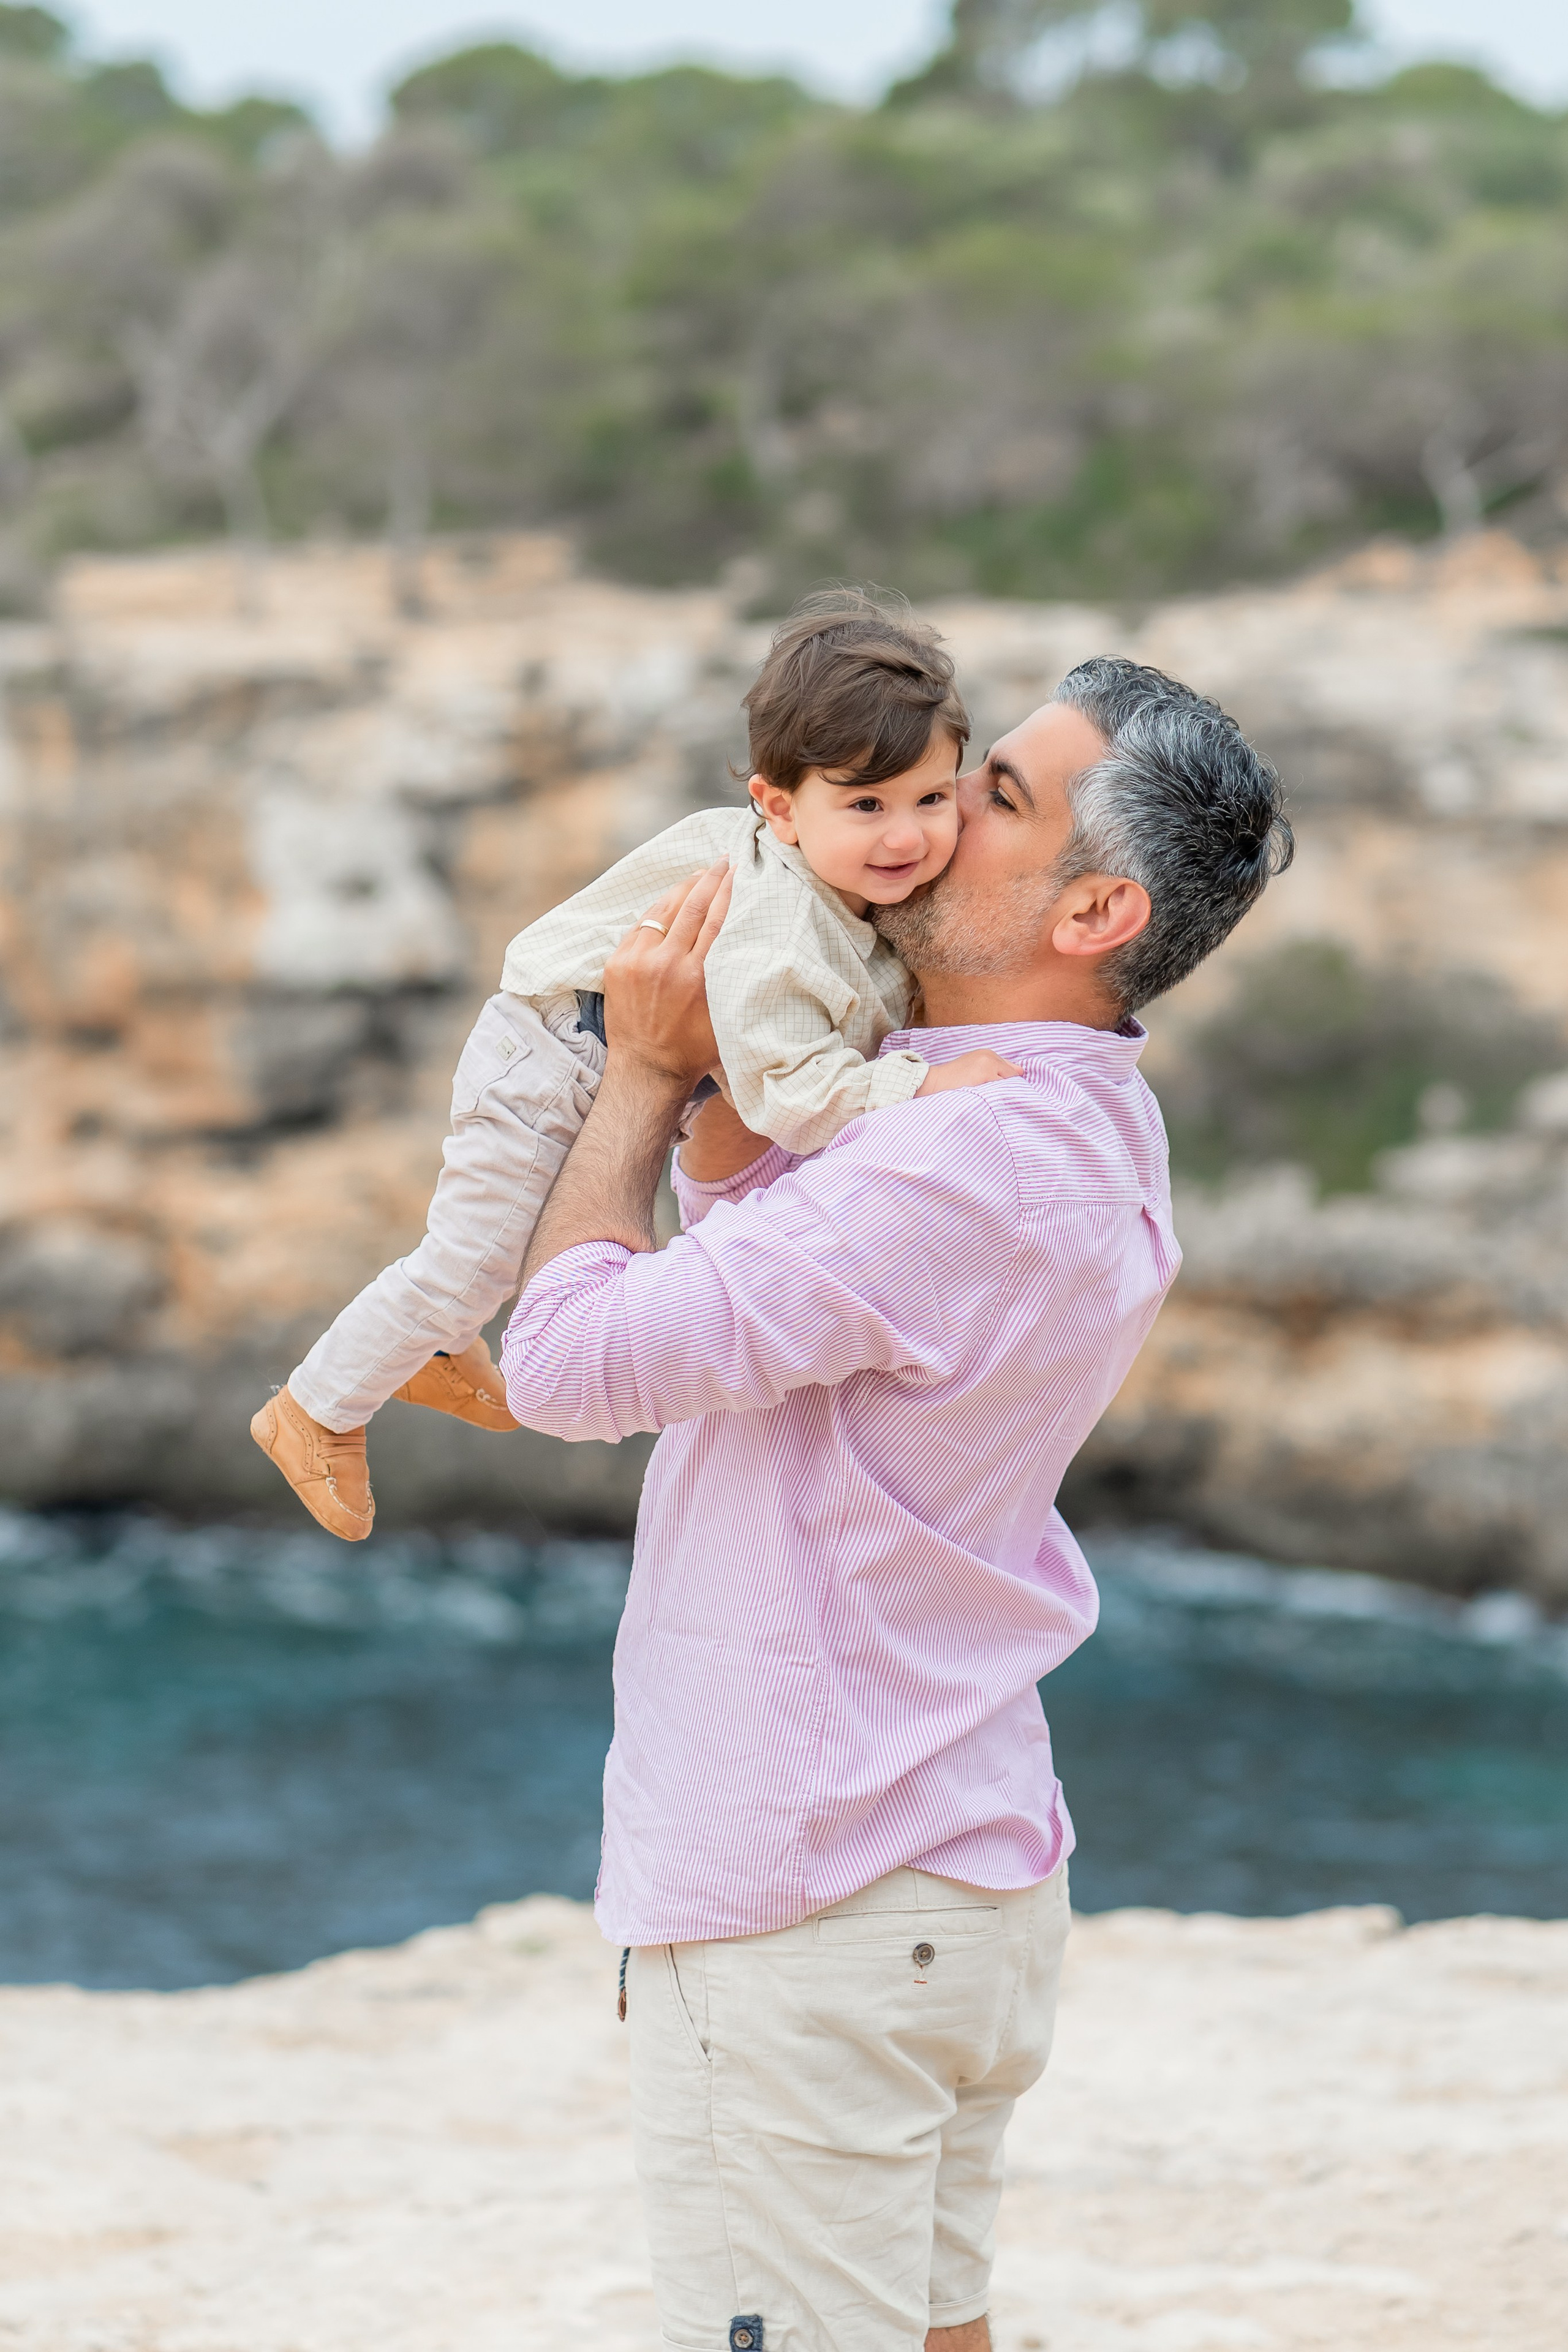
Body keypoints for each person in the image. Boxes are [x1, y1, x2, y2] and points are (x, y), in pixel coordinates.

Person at [499, 657, 1293, 2352]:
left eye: (988, 798)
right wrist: (740, 1101)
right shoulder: (1082, 1123)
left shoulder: (947, 1161)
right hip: (965, 1860)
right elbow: (797, 1284)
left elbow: (564, 1369)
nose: (926, 819)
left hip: (811, 1893)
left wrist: (644, 1074)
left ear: (1096, 907)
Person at [249, 590, 1015, 1542]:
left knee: (502, 1253)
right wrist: (922, 1085)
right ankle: (315, 1411)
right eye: (866, 805)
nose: (906, 837)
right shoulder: (779, 922)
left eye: (932, 800)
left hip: (580, 1050)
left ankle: (433, 1351)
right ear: (778, 808)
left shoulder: (840, 883)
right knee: (469, 1258)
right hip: (548, 1059)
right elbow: (792, 1095)